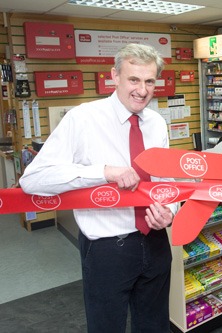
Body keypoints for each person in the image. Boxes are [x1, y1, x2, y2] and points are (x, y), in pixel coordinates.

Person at [19, 43, 177, 333]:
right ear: (114, 76)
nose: (142, 90)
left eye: (149, 81)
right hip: (107, 248)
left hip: (156, 242)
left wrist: (169, 210)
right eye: (133, 79)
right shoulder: (83, 118)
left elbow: (166, 182)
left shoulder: (156, 122)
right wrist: (102, 172)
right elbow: (33, 179)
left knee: (155, 325)